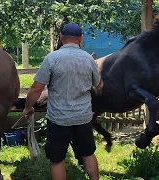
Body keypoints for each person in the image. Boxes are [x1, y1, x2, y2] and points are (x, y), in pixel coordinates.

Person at [22, 22, 103, 180]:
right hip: (83, 118)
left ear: (60, 37)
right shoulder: (88, 59)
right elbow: (99, 85)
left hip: (59, 119)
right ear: (80, 39)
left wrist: (27, 107)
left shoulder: (52, 58)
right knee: (88, 154)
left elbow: (36, 88)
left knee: (57, 160)